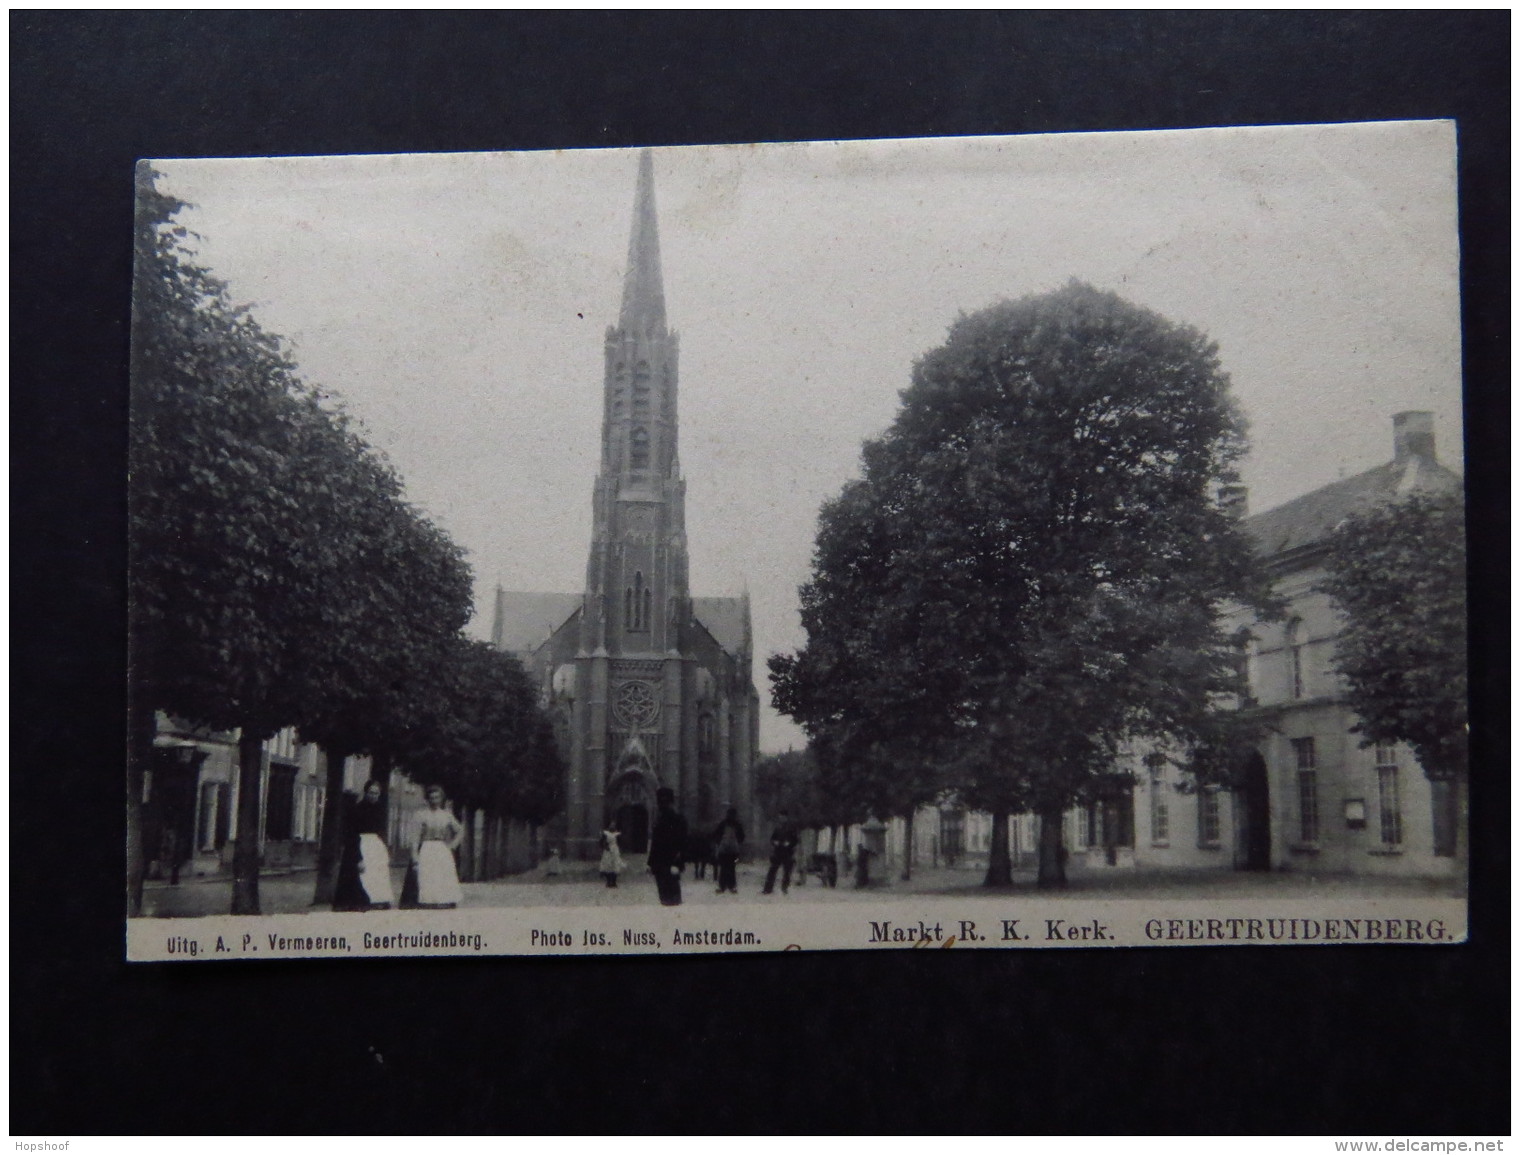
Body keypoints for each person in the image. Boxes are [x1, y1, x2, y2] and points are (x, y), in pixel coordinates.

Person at [335, 780, 395, 910]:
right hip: (361, 845)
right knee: (362, 874)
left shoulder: (379, 810)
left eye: (376, 793)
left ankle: (378, 900)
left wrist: (384, 850)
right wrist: (358, 858)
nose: (373, 796)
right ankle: (362, 901)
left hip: (375, 847)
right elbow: (351, 834)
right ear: (366, 793)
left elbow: (381, 832)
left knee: (377, 873)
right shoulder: (357, 809)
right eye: (371, 793)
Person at [410, 784, 464, 909]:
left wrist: (452, 846)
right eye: (432, 798)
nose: (434, 801)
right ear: (427, 799)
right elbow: (415, 837)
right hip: (427, 848)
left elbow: (460, 830)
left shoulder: (446, 815)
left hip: (442, 849)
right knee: (428, 876)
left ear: (441, 799)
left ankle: (444, 901)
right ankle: (429, 902)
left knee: (443, 875)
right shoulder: (421, 815)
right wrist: (414, 856)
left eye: (437, 798)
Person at [646, 787, 688, 907]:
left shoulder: (663, 819)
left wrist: (651, 863)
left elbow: (657, 843)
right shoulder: (678, 818)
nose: (660, 804)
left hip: (664, 862)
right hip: (671, 862)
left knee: (666, 895)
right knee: (672, 894)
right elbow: (684, 842)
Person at [762, 810, 801, 895]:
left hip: (787, 852)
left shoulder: (791, 828)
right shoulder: (778, 828)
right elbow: (772, 839)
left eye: (783, 817)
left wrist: (789, 844)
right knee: (772, 870)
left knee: (787, 872)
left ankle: (784, 888)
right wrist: (774, 842)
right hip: (778, 852)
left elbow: (795, 840)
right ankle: (768, 889)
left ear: (786, 817)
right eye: (780, 817)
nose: (781, 819)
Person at [712, 806, 745, 894]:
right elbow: (741, 837)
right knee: (731, 868)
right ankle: (731, 886)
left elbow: (716, 835)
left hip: (723, 849)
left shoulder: (723, 824)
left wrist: (719, 843)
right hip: (734, 850)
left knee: (723, 868)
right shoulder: (737, 825)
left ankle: (722, 886)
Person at [598, 823, 624, 888]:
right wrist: (605, 846)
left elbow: (620, 842)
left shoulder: (617, 834)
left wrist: (620, 849)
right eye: (611, 826)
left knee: (615, 864)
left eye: (613, 826)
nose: (612, 827)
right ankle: (608, 881)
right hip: (608, 851)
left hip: (615, 850)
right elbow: (601, 842)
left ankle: (614, 881)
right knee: (607, 864)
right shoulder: (605, 834)